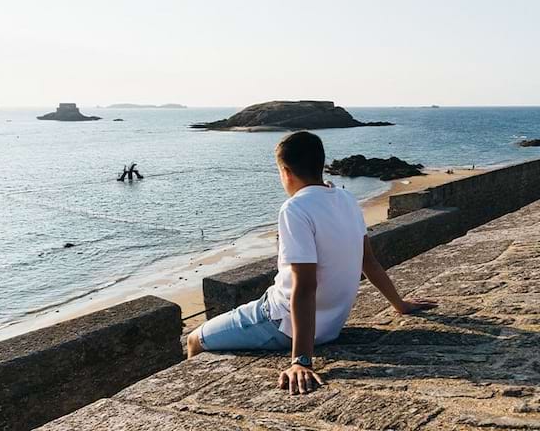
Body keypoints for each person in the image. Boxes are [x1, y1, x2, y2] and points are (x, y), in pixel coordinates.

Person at [186, 131, 437, 395]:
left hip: (279, 322)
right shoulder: (347, 199)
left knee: (195, 339)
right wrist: (400, 304)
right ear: (321, 164)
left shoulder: (295, 208)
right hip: (331, 327)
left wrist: (301, 360)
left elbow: (304, 285)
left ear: (285, 171)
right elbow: (369, 262)